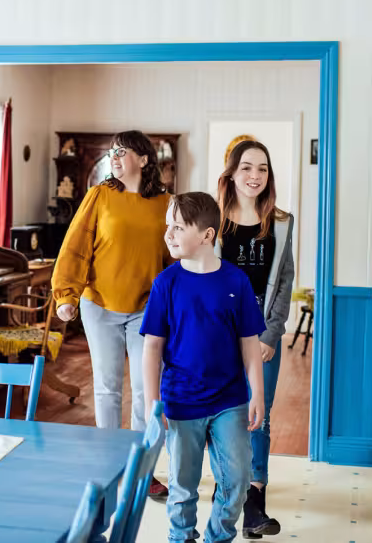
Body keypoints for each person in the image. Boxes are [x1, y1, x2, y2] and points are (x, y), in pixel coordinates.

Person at [51, 129, 171, 499]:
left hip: (146, 310)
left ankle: (139, 468)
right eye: (112, 152)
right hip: (99, 304)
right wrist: (66, 295)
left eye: (123, 151)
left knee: (144, 390)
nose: (115, 157)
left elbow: (173, 258)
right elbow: (75, 246)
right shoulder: (99, 195)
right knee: (106, 387)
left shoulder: (167, 202)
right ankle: (108, 462)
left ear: (145, 159)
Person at [142, 192, 266, 543]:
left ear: (207, 235)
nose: (168, 235)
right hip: (181, 402)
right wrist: (153, 404)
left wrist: (258, 392)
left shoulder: (236, 282)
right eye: (168, 226)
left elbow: (250, 344)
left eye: (178, 228)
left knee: (239, 479)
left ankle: (218, 536)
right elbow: (152, 347)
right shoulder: (165, 284)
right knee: (182, 486)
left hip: (230, 400)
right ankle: (181, 538)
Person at [215, 140, 295, 539]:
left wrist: (271, 333)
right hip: (219, 332)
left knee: (257, 415)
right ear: (231, 172)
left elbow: (284, 282)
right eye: (247, 167)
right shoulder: (213, 220)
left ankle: (255, 496)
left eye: (262, 168)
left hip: (261, 330)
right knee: (223, 411)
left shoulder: (281, 221)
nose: (254, 176)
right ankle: (227, 484)